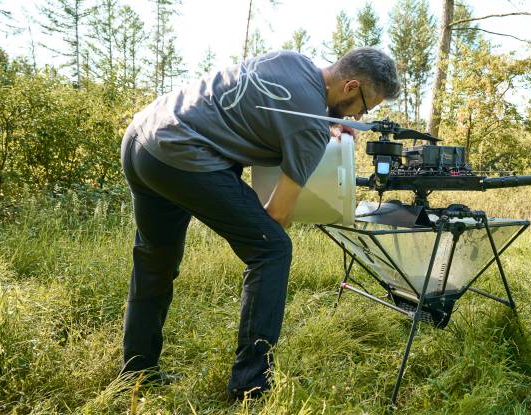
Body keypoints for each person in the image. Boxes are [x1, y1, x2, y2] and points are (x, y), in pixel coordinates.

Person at [119, 47, 400, 401]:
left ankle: (136, 374)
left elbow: (273, 108)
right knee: (272, 249)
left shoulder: (293, 61)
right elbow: (278, 214)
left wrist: (328, 120)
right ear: (351, 86)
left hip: (143, 137)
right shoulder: (310, 125)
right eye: (365, 106)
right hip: (180, 153)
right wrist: (320, 128)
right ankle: (250, 387)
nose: (361, 115)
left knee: (154, 261)